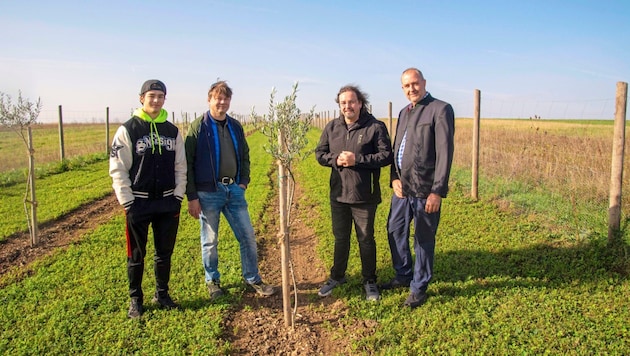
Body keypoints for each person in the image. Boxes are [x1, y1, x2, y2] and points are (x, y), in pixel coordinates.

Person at [185, 80, 275, 300]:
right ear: (210, 99)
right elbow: (187, 162)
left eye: (226, 98)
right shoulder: (199, 126)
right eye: (218, 97)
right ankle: (212, 280)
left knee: (248, 236)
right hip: (208, 193)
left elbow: (244, 155)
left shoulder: (235, 126)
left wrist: (243, 182)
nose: (222, 102)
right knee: (210, 240)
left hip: (233, 190)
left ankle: (253, 278)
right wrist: (192, 196)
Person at [109, 79, 187, 318]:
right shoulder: (128, 129)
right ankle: (136, 299)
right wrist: (127, 201)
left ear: (165, 99)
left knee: (164, 253)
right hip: (139, 202)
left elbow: (180, 166)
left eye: (160, 96)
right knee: (136, 255)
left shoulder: (172, 131)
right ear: (141, 98)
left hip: (167, 202)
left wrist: (177, 196)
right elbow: (118, 168)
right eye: (151, 95)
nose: (156, 100)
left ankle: (162, 294)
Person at [381, 68, 455, 308]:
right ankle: (403, 275)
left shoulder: (440, 109)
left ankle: (419, 287)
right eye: (406, 86)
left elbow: (445, 153)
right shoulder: (404, 113)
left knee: (423, 239)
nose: (411, 89)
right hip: (402, 189)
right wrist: (394, 178)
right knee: (395, 229)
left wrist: (437, 191)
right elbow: (396, 150)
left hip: (425, 189)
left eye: (414, 84)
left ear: (424, 83)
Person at [315, 85, 393, 301]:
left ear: (360, 103)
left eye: (351, 102)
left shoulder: (375, 127)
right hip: (338, 195)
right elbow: (320, 154)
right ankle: (337, 276)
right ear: (339, 105)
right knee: (340, 238)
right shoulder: (332, 127)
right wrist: (335, 159)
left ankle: (369, 280)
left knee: (366, 239)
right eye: (343, 103)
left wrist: (357, 160)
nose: (347, 106)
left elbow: (386, 156)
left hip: (363, 196)